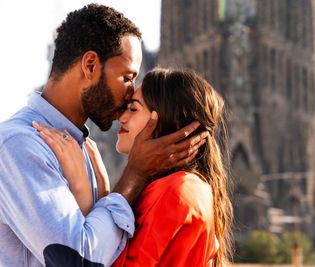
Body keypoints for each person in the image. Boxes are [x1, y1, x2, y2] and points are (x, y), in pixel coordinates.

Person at [0, 4, 207, 267]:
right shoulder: (20, 145)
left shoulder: (80, 147)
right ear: (90, 65)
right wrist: (134, 175)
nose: (131, 92)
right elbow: (79, 262)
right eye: (127, 77)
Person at [34, 68, 233, 267]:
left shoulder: (175, 190)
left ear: (170, 121)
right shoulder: (179, 186)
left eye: (134, 109)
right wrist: (105, 193)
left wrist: (81, 185)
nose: (121, 118)